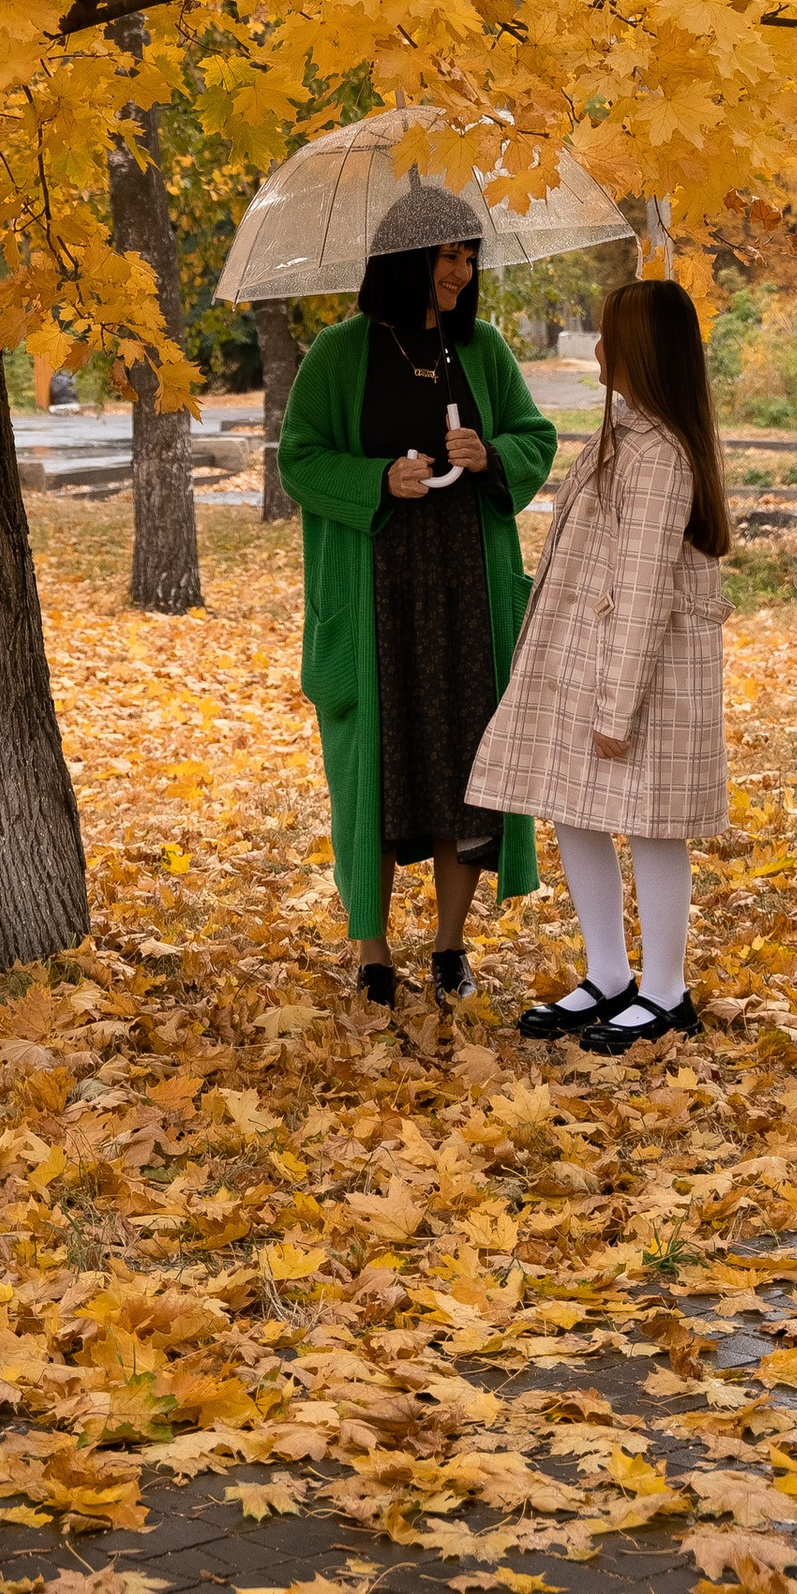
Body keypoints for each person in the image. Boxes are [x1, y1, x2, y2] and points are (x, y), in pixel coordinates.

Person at [277, 178, 559, 1004]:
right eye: (447, 256)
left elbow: (536, 435)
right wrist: (377, 479)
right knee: (374, 767)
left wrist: (491, 455)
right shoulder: (340, 353)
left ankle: (448, 949)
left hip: (468, 594)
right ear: (405, 261)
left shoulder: (483, 350)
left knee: (464, 768)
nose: (461, 272)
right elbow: (299, 458)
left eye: (469, 257)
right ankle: (372, 953)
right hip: (378, 598)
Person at [464, 275, 732, 1051]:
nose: (599, 347)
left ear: (639, 351)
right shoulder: (624, 433)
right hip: (587, 660)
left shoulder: (659, 456)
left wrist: (616, 710)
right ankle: (610, 974)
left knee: (652, 825)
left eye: (611, 335)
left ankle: (667, 991)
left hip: (643, 676)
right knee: (573, 808)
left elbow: (643, 591)